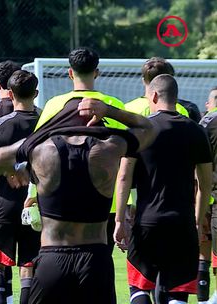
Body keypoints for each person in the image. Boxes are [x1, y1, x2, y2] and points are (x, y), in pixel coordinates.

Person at [0, 93, 155, 303]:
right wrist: (108, 110)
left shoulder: (40, 149)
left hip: (52, 259)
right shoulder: (109, 147)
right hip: (95, 259)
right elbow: (148, 128)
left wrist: (15, 166)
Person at [114, 75, 212, 304]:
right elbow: (205, 182)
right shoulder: (195, 131)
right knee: (177, 293)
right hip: (182, 223)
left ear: (155, 95)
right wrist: (197, 222)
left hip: (147, 222)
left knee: (138, 289)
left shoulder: (140, 130)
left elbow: (123, 177)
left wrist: (119, 219)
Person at [27, 47, 126, 256]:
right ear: (96, 72)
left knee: (63, 256)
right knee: (98, 259)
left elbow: (37, 152)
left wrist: (32, 193)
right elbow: (128, 158)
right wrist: (129, 203)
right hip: (106, 201)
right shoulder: (114, 106)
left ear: (70, 72)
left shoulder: (55, 105)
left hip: (63, 196)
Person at [0, 70, 41, 304]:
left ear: (11, 94)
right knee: (29, 263)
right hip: (35, 203)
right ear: (36, 93)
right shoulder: (45, 122)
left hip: (2, 203)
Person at [199, 86, 217, 304]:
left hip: (206, 196)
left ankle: (205, 301)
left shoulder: (207, 123)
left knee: (203, 247)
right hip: (210, 195)